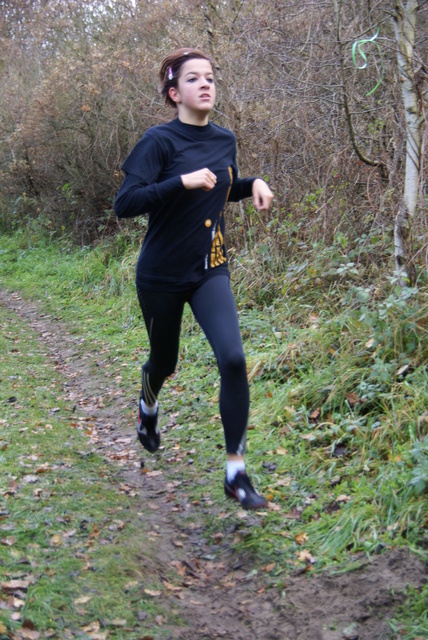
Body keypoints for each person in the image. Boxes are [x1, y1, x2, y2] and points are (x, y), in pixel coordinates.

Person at [114, 47, 273, 510]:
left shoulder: (225, 139)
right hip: (160, 275)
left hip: (209, 269)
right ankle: (148, 407)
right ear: (173, 92)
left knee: (234, 360)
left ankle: (236, 472)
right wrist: (179, 182)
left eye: (210, 78)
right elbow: (126, 203)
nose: (205, 84)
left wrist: (253, 183)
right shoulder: (158, 142)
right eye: (193, 79)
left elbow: (222, 187)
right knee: (164, 364)